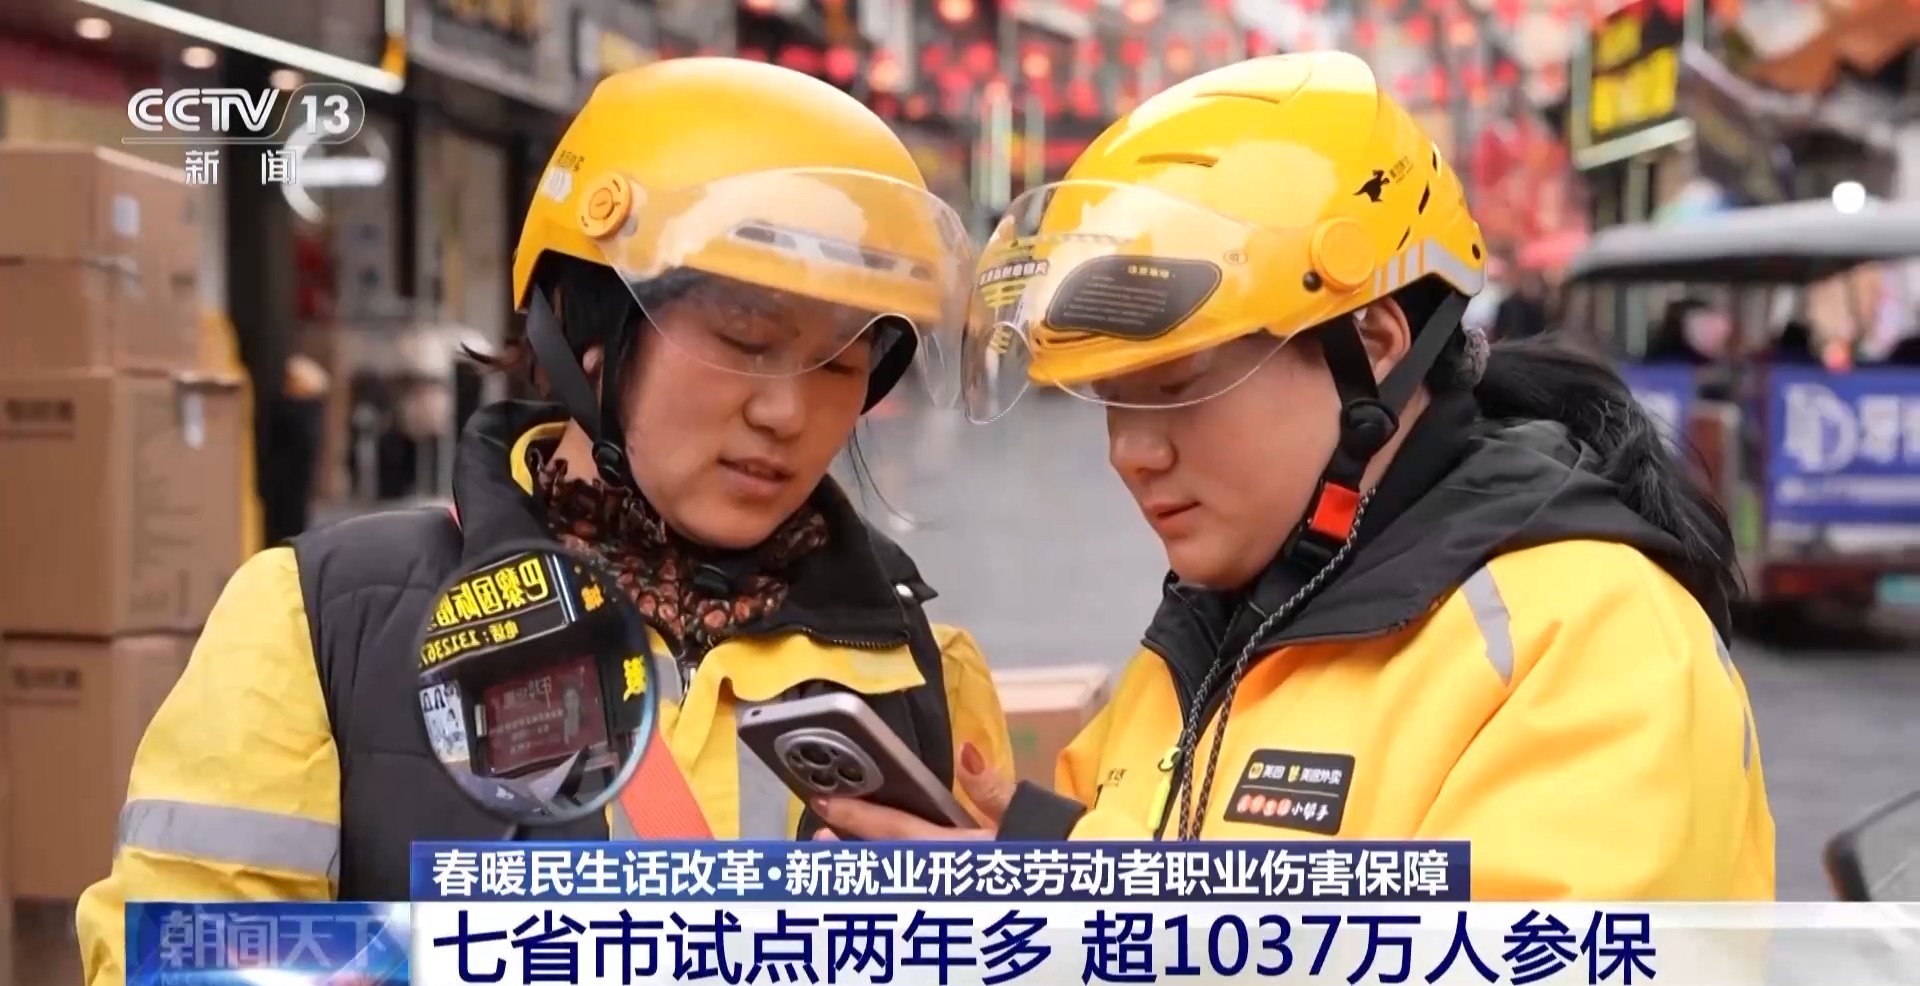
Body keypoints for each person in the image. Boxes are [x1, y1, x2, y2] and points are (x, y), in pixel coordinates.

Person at [78, 58, 1013, 982]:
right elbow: (175, 961)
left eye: (842, 361)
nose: (787, 411)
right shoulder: (326, 622)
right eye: (745, 340)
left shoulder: (921, 669)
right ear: (587, 324)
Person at [813, 51, 1774, 900]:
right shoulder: (1212, 632)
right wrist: (1046, 860)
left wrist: (1071, 920)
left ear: (1375, 346)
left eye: (1177, 388)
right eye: (1110, 400)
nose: (1131, 452)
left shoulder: (1588, 642)